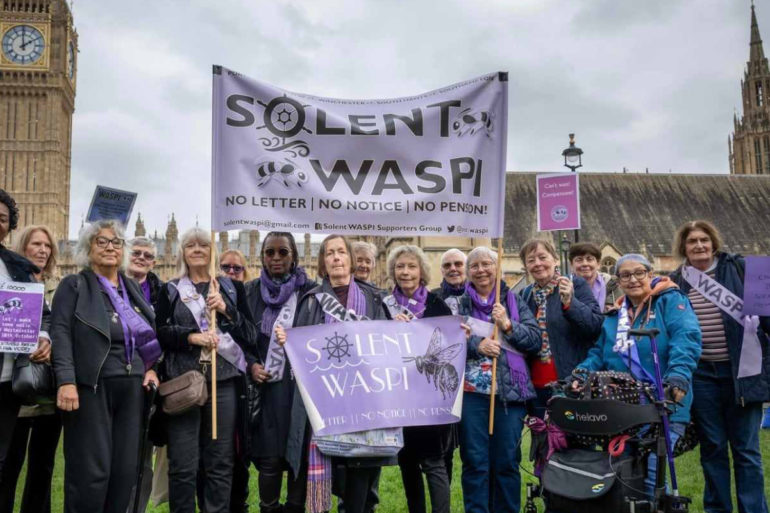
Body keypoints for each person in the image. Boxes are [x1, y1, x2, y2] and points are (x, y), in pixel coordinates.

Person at [50, 219, 161, 513]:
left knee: (125, 473)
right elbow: (60, 332)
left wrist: (151, 368)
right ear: (88, 248)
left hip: (132, 391)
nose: (110, 247)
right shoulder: (73, 285)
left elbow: (149, 334)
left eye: (116, 242)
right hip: (91, 389)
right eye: (102, 241)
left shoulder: (132, 289)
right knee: (92, 474)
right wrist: (66, 380)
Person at [278, 235, 392, 513]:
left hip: (363, 403)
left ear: (352, 260)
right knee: (327, 474)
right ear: (323, 262)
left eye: (341, 252)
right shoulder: (309, 301)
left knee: (359, 490)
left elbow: (392, 348)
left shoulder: (375, 298)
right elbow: (298, 356)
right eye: (330, 253)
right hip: (322, 406)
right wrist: (287, 340)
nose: (336, 257)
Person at [573, 253, 701, 498]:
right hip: (621, 410)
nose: (632, 279)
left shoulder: (670, 301)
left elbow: (686, 338)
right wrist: (581, 373)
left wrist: (678, 374)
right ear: (618, 280)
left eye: (639, 273)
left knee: (655, 471)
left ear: (650, 275)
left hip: (664, 404)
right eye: (625, 275)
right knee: (624, 476)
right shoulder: (613, 318)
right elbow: (598, 354)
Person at [669, 220, 770, 513]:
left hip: (742, 372)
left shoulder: (742, 269)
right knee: (712, 448)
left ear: (714, 242)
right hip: (701, 375)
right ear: (683, 247)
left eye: (704, 240)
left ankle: (753, 509)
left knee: (747, 451)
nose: (699, 246)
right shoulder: (678, 280)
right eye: (692, 242)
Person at [156, 227, 257, 513]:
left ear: (212, 249)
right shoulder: (172, 289)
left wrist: (226, 309)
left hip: (223, 383)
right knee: (184, 463)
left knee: (220, 463)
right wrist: (192, 336)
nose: (198, 249)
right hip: (185, 385)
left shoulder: (231, 288)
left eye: (203, 244)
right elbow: (160, 332)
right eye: (191, 245)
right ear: (183, 252)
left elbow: (250, 334)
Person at [457, 246, 541, 513]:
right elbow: (445, 342)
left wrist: (507, 324)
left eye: (487, 264)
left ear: (498, 267)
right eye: (475, 265)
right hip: (471, 396)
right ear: (468, 272)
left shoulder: (514, 301)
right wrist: (476, 345)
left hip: (509, 396)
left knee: (506, 462)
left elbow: (535, 341)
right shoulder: (459, 304)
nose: (481, 270)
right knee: (475, 462)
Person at [244, 232, 315, 513]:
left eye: (283, 252)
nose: (276, 258)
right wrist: (251, 364)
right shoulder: (249, 292)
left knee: (297, 454)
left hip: (299, 389)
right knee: (270, 459)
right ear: (261, 256)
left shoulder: (310, 292)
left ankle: (296, 508)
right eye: (270, 252)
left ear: (294, 256)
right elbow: (242, 338)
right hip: (266, 387)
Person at [383, 245, 453, 513]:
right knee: (408, 462)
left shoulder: (437, 305)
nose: (405, 272)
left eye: (411, 266)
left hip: (430, 396)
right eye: (400, 267)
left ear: (422, 271)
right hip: (398, 396)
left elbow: (448, 345)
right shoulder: (385, 306)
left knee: (434, 462)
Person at [0, 225, 60, 513]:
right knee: (10, 464)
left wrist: (47, 338)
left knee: (43, 468)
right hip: (19, 387)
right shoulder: (11, 282)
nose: (43, 251)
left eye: (47, 246)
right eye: (36, 244)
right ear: (22, 248)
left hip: (48, 390)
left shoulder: (58, 283)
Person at [519, 238, 604, 418]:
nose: (538, 264)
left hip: (569, 382)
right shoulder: (525, 294)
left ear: (555, 259)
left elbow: (595, 326)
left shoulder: (576, 285)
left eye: (543, 257)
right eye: (531, 260)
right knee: (543, 442)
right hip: (537, 385)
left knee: (574, 441)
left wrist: (569, 303)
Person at [568, 242, 620, 312]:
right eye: (579, 260)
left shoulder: (613, 284)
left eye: (589, 259)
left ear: (598, 264)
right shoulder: (564, 286)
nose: (585, 264)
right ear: (571, 265)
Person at [127, 237, 164, 311]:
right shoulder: (111, 285)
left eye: (148, 256)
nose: (141, 257)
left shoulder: (163, 292)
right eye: (136, 253)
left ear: (153, 264)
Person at [431, 248, 467, 315]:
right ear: (442, 271)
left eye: (458, 264)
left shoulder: (479, 295)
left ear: (467, 268)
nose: (453, 269)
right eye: (447, 265)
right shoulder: (431, 298)